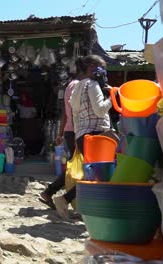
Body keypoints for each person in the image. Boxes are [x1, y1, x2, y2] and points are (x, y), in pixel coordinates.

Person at [52, 55, 113, 219]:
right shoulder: (93, 85)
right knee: (99, 174)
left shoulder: (77, 87)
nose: (101, 73)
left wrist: (79, 137)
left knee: (92, 174)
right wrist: (113, 97)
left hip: (83, 134)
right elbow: (100, 110)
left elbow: (75, 115)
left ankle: (75, 203)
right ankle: (67, 199)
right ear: (91, 69)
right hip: (96, 134)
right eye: (99, 69)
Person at [39, 58, 84, 211]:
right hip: (78, 130)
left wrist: (61, 132)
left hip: (72, 130)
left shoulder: (70, 86)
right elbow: (76, 112)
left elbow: (65, 112)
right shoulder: (78, 86)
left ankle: (50, 191)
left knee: (74, 166)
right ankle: (61, 196)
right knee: (82, 167)